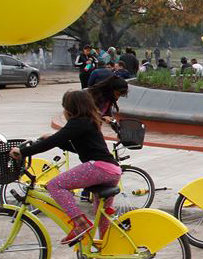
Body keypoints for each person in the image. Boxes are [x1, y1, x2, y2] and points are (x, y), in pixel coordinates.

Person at [11, 91, 122, 250]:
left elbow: (54, 141)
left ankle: (80, 223)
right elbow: (78, 148)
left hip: (99, 167)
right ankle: (106, 254)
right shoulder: (88, 121)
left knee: (55, 185)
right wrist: (53, 140)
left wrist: (22, 152)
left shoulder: (78, 122)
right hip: (112, 170)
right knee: (102, 215)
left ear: (69, 108)